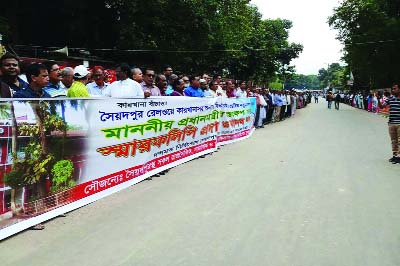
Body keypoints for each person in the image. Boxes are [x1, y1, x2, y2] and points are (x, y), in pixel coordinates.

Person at [379, 84, 400, 164]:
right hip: (391, 123)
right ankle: (395, 156)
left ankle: (399, 157)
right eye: (392, 89)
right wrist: (378, 99)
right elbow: (381, 107)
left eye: (395, 89)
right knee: (393, 140)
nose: (393, 90)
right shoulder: (390, 98)